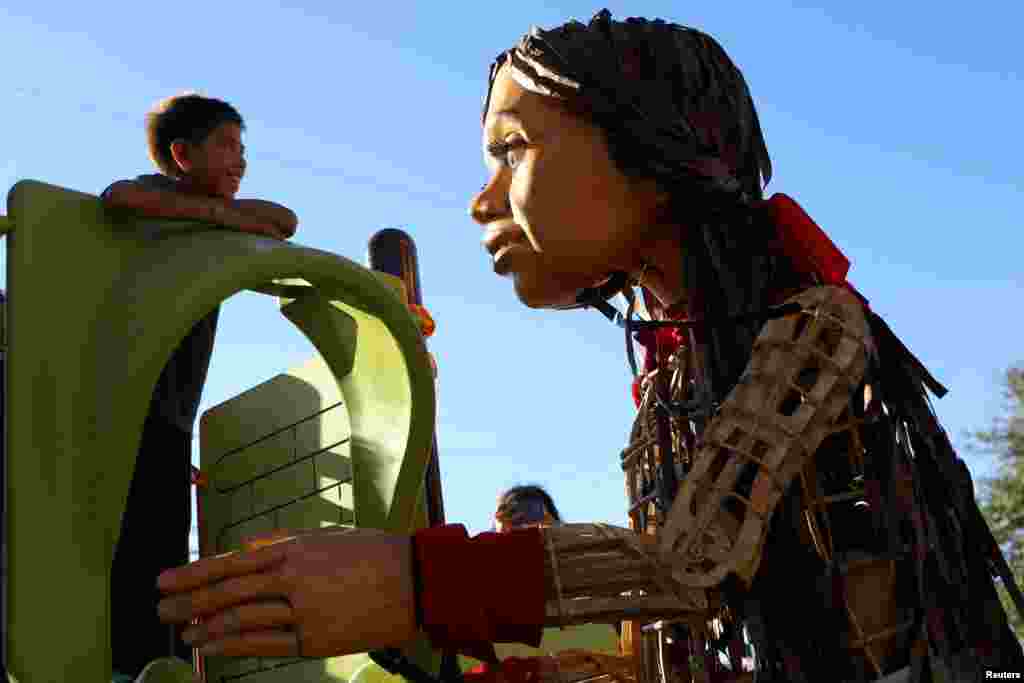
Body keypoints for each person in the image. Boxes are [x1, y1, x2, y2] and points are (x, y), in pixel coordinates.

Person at [153, 11, 1024, 683]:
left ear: (650, 154)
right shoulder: (672, 390)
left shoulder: (815, 329)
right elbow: (663, 638)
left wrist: (418, 584)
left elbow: (692, 565)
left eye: (514, 148)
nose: (482, 200)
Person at [100, 93, 298, 681]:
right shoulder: (148, 200)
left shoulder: (193, 211)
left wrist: (214, 216)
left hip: (170, 412)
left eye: (243, 147)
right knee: (135, 544)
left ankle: (157, 662)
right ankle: (129, 664)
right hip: (125, 399)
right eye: (227, 146)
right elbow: (118, 197)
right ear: (182, 155)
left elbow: (283, 220)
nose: (241, 161)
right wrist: (214, 217)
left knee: (162, 543)